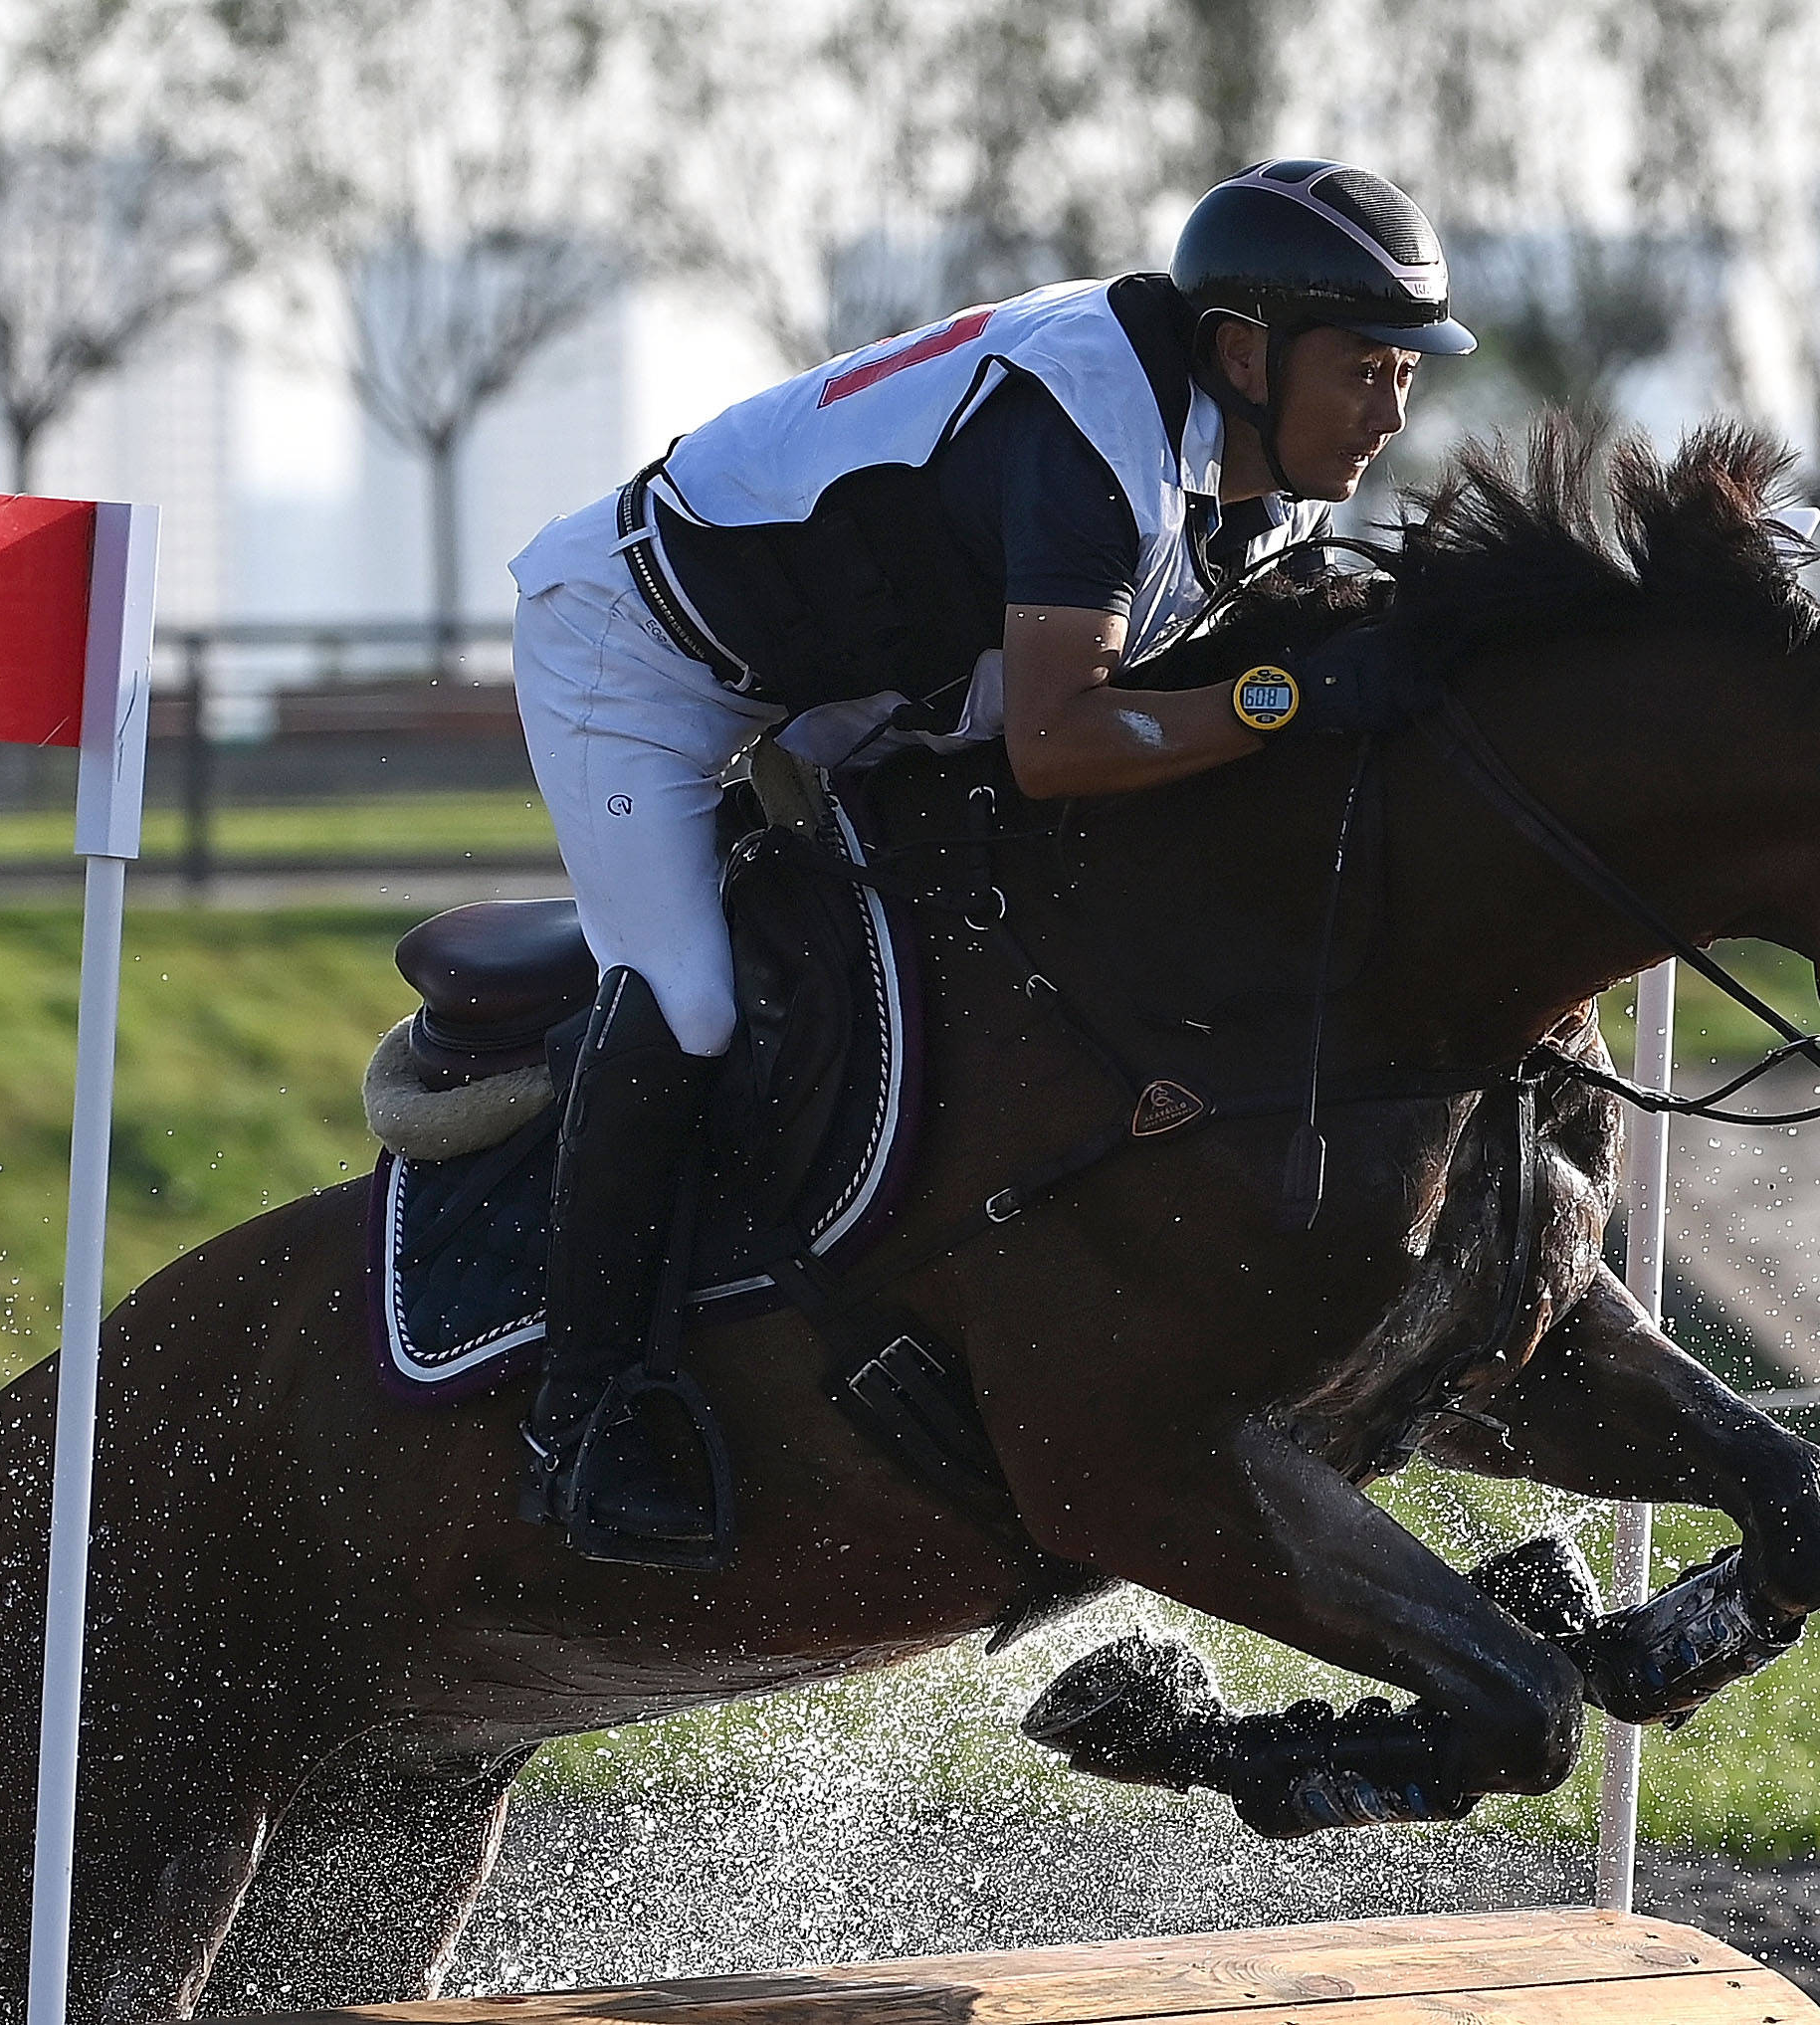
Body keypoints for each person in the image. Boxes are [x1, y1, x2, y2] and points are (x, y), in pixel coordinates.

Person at [505, 158, 1475, 1560]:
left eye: (1406, 372)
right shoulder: (1091, 433)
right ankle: (581, 1411)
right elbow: (1064, 742)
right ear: (1249, 352)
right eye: (1367, 369)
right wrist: (1286, 702)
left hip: (865, 705)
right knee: (694, 998)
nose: (1391, 410)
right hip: (643, 659)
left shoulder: (1254, 476)